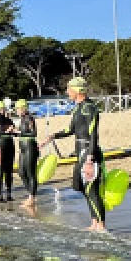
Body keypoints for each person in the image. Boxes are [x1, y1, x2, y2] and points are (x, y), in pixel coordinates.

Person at [42, 77, 106, 232]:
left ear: (77, 90)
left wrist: (90, 157)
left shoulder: (89, 108)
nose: (67, 92)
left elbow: (93, 134)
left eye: (69, 89)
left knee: (91, 189)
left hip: (89, 152)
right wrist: (53, 136)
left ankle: (101, 226)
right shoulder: (77, 108)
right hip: (80, 153)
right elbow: (70, 130)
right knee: (81, 187)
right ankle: (94, 222)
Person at [14, 99, 40, 207]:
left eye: (17, 109)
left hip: (30, 147)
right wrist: (14, 131)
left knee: (30, 172)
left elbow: (34, 133)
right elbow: (22, 133)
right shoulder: (22, 119)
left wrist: (19, 132)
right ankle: (31, 194)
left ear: (23, 108)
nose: (16, 111)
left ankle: (31, 198)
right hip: (23, 148)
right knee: (21, 171)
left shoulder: (29, 118)